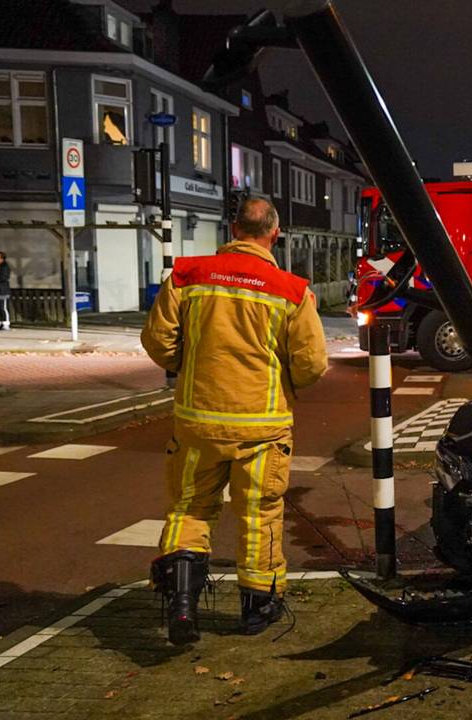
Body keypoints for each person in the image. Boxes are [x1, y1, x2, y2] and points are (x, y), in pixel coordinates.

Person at [141, 198, 327, 645]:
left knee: (190, 508)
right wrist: (284, 380)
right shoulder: (292, 290)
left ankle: (182, 605)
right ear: (274, 234)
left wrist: (187, 364)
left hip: (197, 420)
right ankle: (257, 608)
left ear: (233, 228)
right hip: (262, 425)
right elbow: (312, 364)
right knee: (259, 512)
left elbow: (157, 340)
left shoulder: (187, 276)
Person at [0, 251, 10, 330]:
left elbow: (3, 278)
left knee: (2, 307)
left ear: (1, 259)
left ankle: (5, 323)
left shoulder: (5, 267)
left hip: (1, 290)